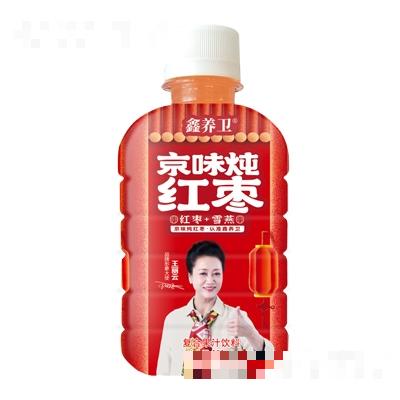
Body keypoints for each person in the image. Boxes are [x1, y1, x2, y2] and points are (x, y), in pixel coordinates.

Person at [156, 240, 274, 375]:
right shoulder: (173, 319)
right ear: (190, 277)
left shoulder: (237, 319)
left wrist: (250, 334)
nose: (210, 280)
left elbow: (269, 365)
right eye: (203, 273)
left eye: (216, 274)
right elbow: (163, 373)